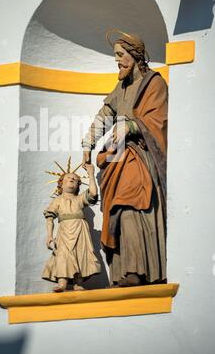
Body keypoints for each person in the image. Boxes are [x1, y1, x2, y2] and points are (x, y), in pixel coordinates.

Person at [82, 30, 168, 287]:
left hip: (139, 156)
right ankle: (122, 272)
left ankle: (139, 269)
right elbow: (105, 114)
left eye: (120, 55)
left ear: (135, 55)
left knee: (130, 205)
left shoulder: (154, 83)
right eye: (115, 56)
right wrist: (88, 142)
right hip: (117, 156)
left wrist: (131, 126)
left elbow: (159, 119)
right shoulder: (122, 87)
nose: (117, 60)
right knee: (116, 209)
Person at [42, 163, 101, 292]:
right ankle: (62, 282)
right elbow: (50, 218)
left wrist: (91, 174)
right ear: (61, 184)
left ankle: (77, 282)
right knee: (62, 254)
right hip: (64, 230)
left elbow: (93, 193)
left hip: (80, 228)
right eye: (69, 178)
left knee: (81, 253)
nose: (73, 180)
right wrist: (50, 236)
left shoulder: (79, 199)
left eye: (75, 180)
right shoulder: (57, 200)